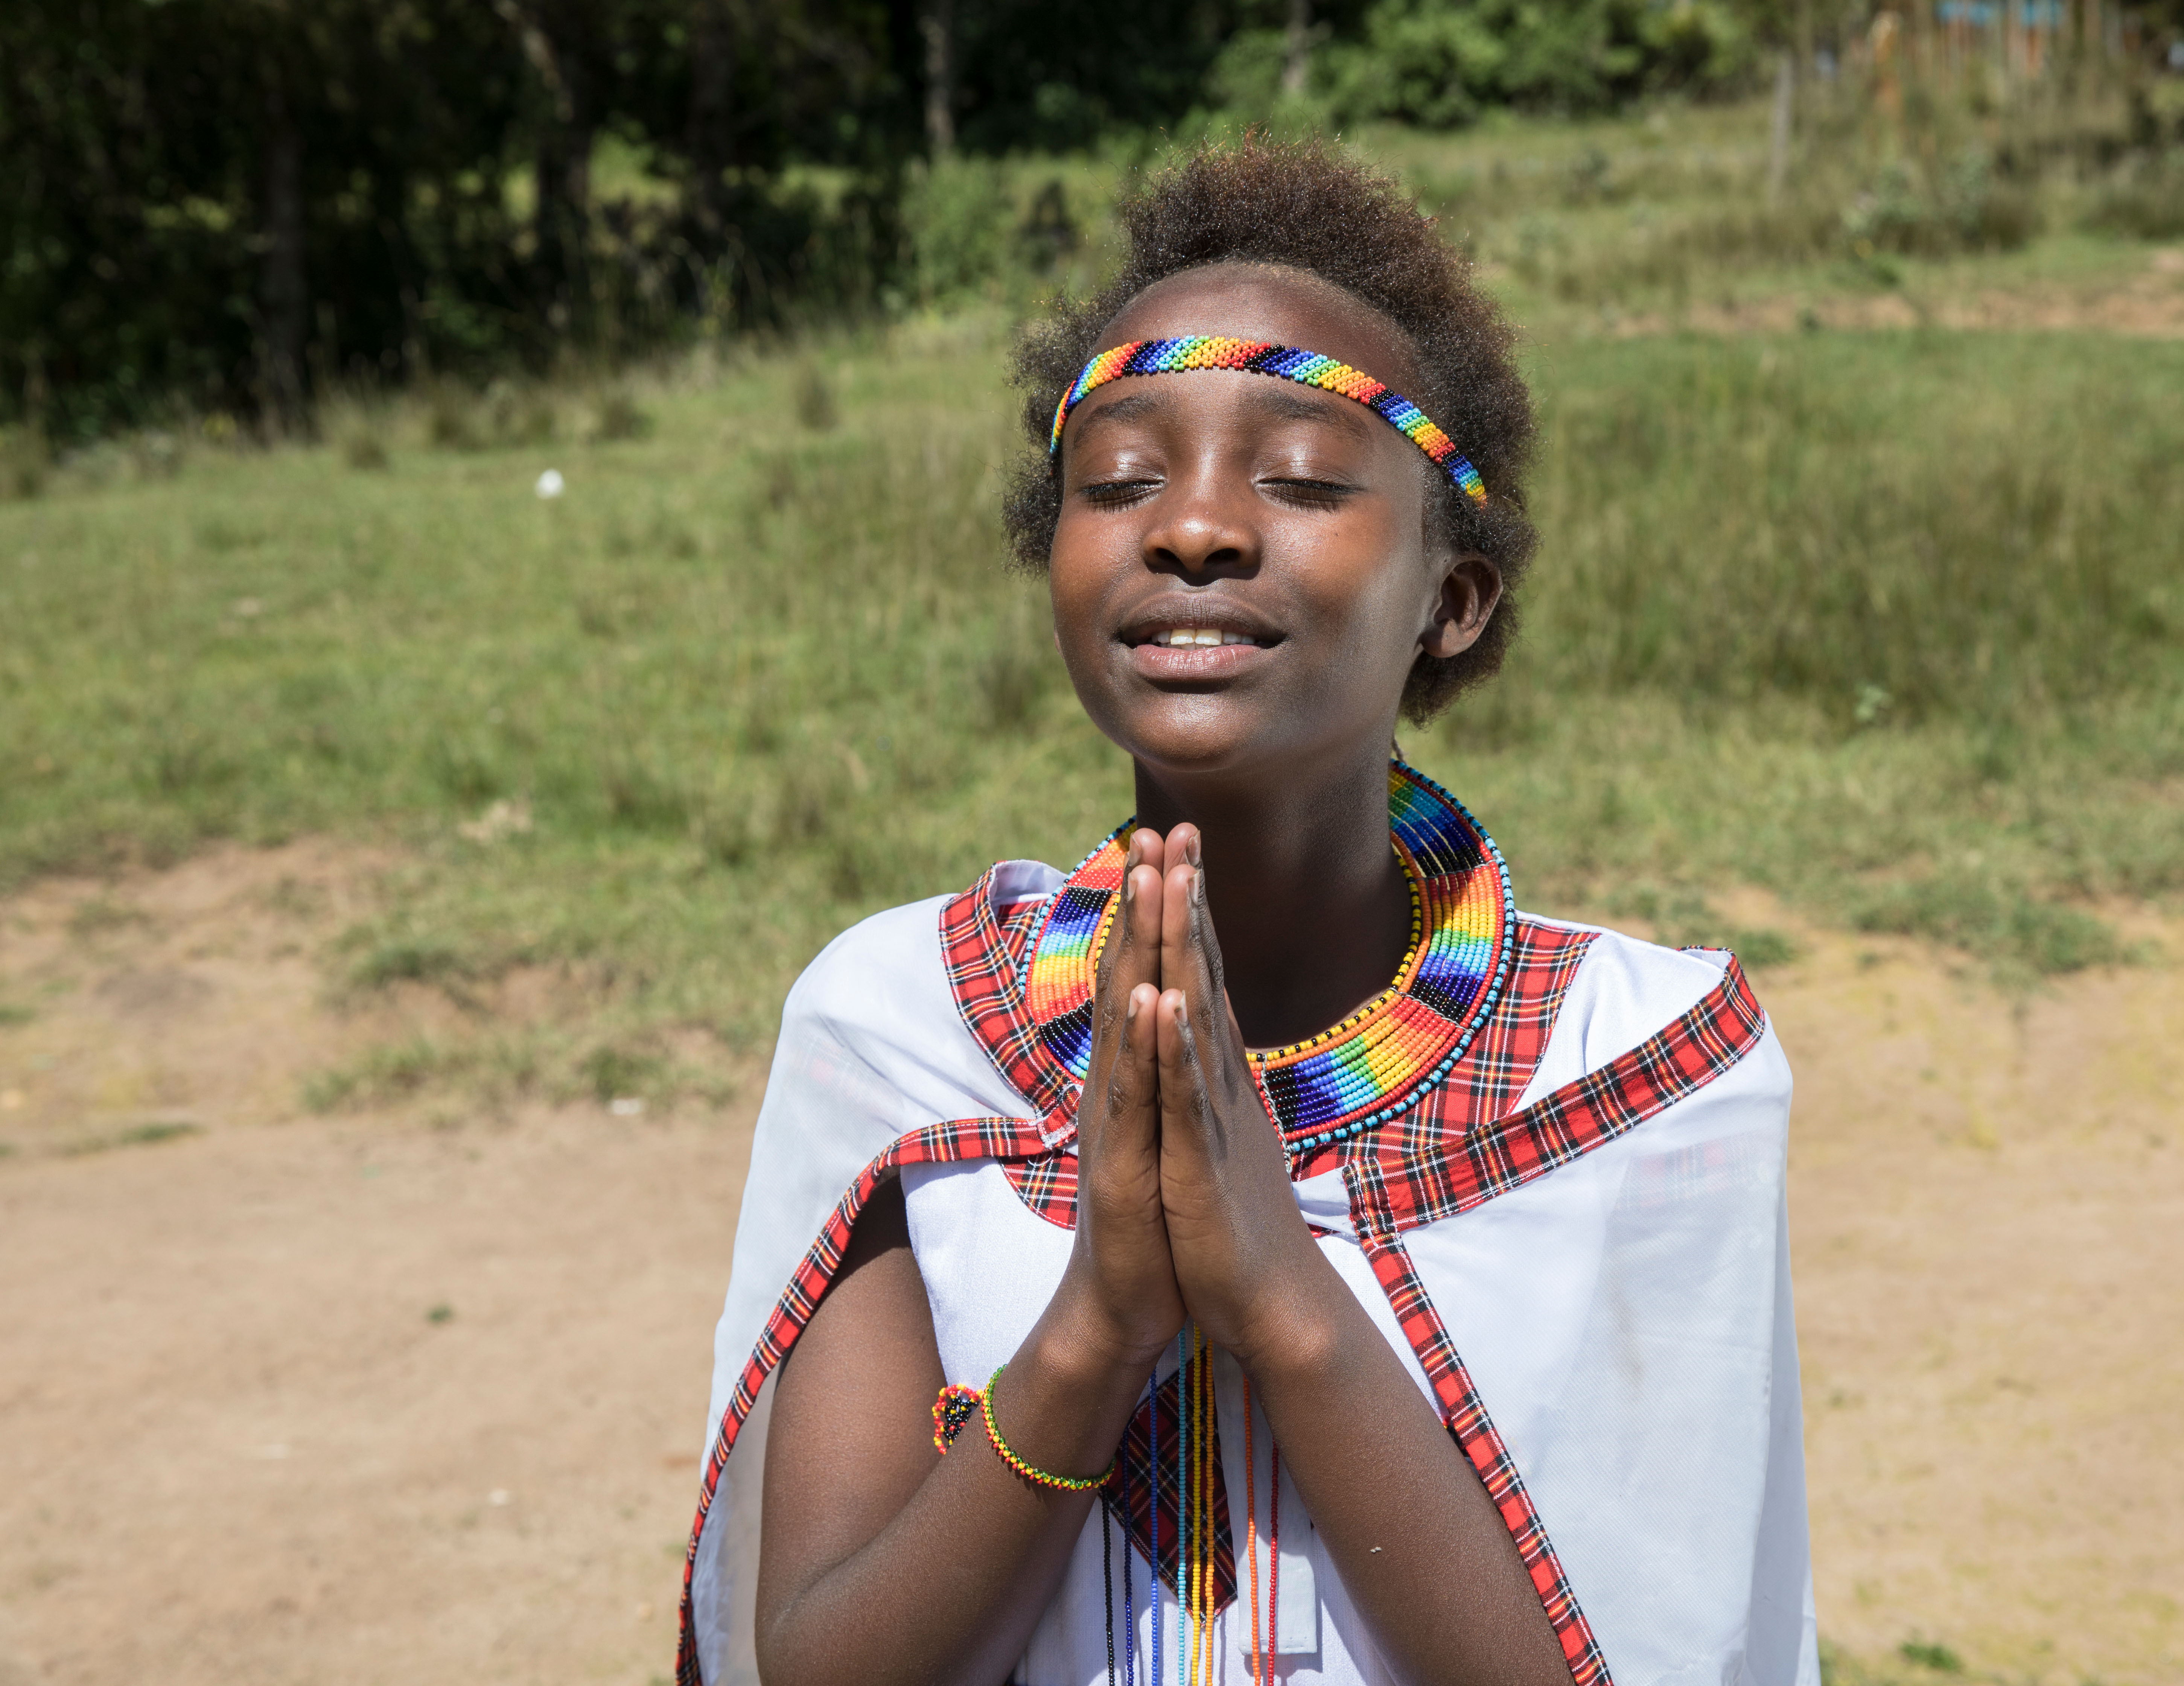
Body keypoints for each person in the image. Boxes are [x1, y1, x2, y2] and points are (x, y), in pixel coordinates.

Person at [678, 138, 1813, 1686]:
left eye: (1298, 478)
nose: (1193, 526)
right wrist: (1096, 1324)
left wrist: (1282, 1298)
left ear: (1453, 594)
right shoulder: (906, 1037)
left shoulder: (1641, 1074)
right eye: (1120, 479)